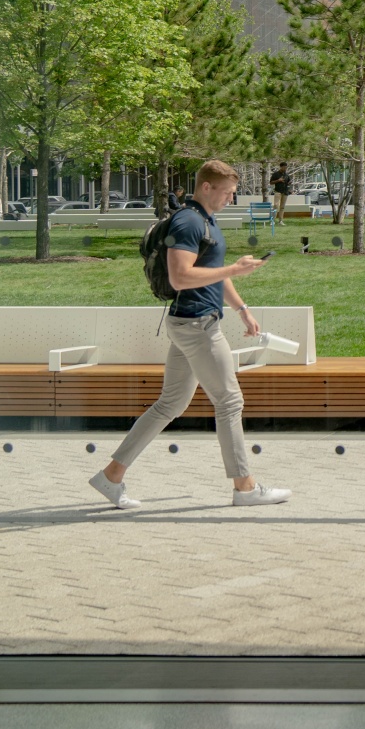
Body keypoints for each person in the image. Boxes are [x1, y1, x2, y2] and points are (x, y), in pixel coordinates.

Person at [88, 159, 287, 510]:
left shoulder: (206, 221)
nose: (230, 199)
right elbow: (180, 277)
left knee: (170, 404)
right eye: (226, 192)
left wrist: (242, 309)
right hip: (197, 326)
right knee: (229, 402)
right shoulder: (189, 221)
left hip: (191, 322)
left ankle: (111, 476)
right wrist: (236, 269)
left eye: (233, 193)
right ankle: (245, 487)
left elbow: (212, 272)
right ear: (206, 187)